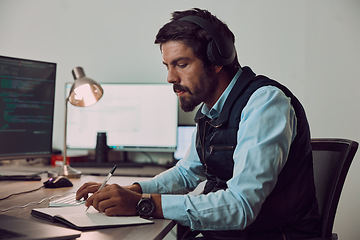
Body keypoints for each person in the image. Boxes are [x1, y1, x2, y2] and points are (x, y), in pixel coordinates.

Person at [76, 8, 320, 240]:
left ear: (217, 60)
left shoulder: (265, 103)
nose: (170, 78)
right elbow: (186, 174)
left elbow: (241, 206)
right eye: (168, 66)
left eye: (181, 64)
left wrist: (143, 204)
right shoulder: (210, 110)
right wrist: (134, 190)